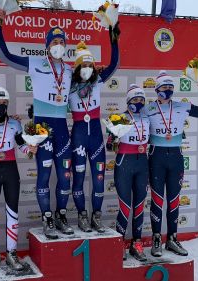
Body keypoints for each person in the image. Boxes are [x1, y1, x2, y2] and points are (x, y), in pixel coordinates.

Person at [0, 9, 73, 239]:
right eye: (54, 41)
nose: (58, 44)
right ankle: (47, 218)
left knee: (65, 176)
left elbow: (92, 83)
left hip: (62, 130)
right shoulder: (35, 63)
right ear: (47, 45)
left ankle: (61, 215)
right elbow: (5, 56)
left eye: (61, 41)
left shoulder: (69, 70)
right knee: (44, 176)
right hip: (42, 130)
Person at [145, 71, 198, 257]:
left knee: (174, 200)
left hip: (175, 158)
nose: (167, 90)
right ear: (156, 89)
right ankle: (157, 238)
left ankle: (172, 239)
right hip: (156, 157)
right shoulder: (148, 109)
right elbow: (129, 122)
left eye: (170, 87)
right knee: (158, 200)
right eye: (163, 87)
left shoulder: (182, 106)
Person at [68, 23, 120, 233]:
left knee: (99, 178)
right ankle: (82, 214)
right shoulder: (69, 87)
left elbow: (115, 63)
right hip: (79, 137)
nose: (88, 69)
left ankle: (96, 216)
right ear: (78, 67)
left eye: (91, 65)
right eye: (84, 65)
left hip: (96, 137)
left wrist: (113, 39)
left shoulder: (98, 82)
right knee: (78, 177)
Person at [0, 86, 37, 271]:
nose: (1, 106)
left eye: (4, 103)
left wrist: (31, 149)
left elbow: (21, 145)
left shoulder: (14, 123)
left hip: (11, 170)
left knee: (13, 212)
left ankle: (12, 254)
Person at [106, 84, 150, 261]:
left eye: (141, 100)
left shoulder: (147, 118)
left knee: (139, 206)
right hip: (124, 163)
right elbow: (109, 145)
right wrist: (114, 138)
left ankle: (136, 243)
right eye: (135, 99)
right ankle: (119, 243)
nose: (138, 102)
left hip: (142, 164)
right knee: (125, 207)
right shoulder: (119, 118)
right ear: (128, 100)